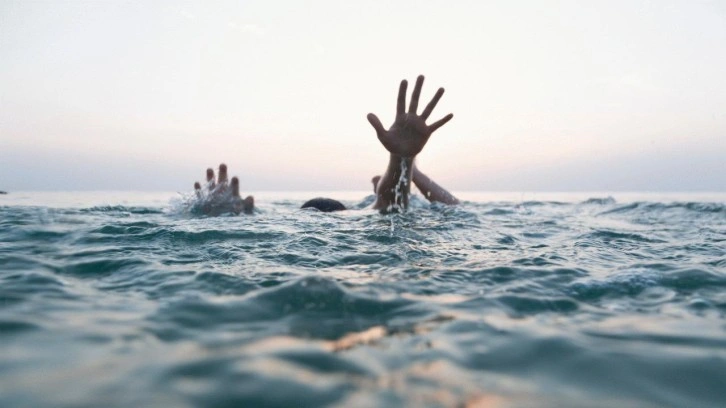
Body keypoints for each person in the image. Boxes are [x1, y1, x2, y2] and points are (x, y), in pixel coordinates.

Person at [193, 75, 458, 215]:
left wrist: (228, 216)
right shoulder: (357, 216)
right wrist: (402, 161)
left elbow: (388, 205)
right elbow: (391, 207)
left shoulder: (347, 219)